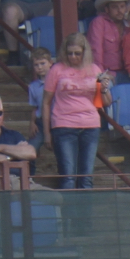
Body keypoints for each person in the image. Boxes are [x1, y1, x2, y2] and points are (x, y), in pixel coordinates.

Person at [42, 32, 112, 190]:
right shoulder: (57, 69)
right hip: (63, 124)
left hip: (90, 124)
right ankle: (67, 215)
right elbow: (46, 102)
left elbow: (105, 102)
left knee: (86, 177)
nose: (73, 57)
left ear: (85, 52)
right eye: (69, 53)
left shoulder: (94, 69)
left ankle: (83, 215)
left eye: (77, 53)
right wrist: (47, 133)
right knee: (68, 176)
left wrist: (104, 88)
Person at [87, 0, 128, 81]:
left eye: (122, 6)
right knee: (105, 85)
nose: (120, 10)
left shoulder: (129, 23)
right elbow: (95, 51)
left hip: (129, 73)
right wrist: (101, 74)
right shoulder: (98, 22)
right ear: (107, 9)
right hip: (107, 73)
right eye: (115, 7)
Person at [26, 47, 51, 151]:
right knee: (30, 148)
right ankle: (31, 167)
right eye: (36, 65)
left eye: (42, 63)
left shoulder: (58, 82)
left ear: (51, 63)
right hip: (40, 122)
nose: (40, 67)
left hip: (57, 121)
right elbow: (35, 107)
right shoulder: (33, 86)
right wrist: (32, 122)